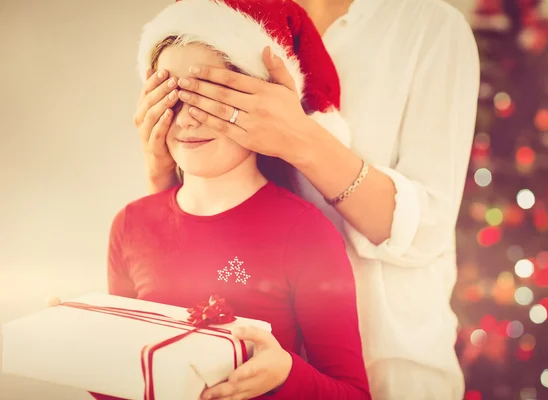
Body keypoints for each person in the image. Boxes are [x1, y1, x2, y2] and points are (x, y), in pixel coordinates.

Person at [138, 0, 480, 399]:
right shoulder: (226, 13)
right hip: (243, 364)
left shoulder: (428, 27)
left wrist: (303, 140)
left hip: (393, 365)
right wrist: (163, 175)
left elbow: (426, 231)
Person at [96, 1, 372, 399]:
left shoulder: (307, 234)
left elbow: (353, 394)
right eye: (171, 96)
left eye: (210, 96)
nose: (187, 119)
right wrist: (79, 345)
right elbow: (123, 380)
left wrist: (287, 374)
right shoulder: (129, 225)